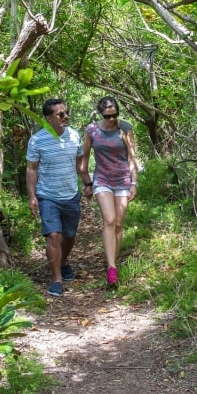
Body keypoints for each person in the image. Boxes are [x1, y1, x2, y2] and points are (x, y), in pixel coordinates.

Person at [26, 98, 86, 297]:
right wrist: (32, 196)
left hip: (70, 194)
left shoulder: (75, 136)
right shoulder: (37, 140)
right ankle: (57, 279)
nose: (65, 116)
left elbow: (79, 165)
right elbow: (31, 169)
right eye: (60, 114)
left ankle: (62, 261)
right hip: (47, 195)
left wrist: (88, 183)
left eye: (65, 112)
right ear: (48, 118)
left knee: (69, 236)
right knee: (53, 235)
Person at [79, 96, 138, 287]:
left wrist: (134, 183)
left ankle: (113, 260)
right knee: (110, 220)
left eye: (115, 115)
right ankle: (111, 268)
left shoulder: (125, 128)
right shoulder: (92, 130)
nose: (112, 119)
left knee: (119, 224)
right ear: (101, 113)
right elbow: (85, 158)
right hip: (102, 179)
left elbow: (131, 157)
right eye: (108, 115)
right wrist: (87, 183)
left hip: (123, 180)